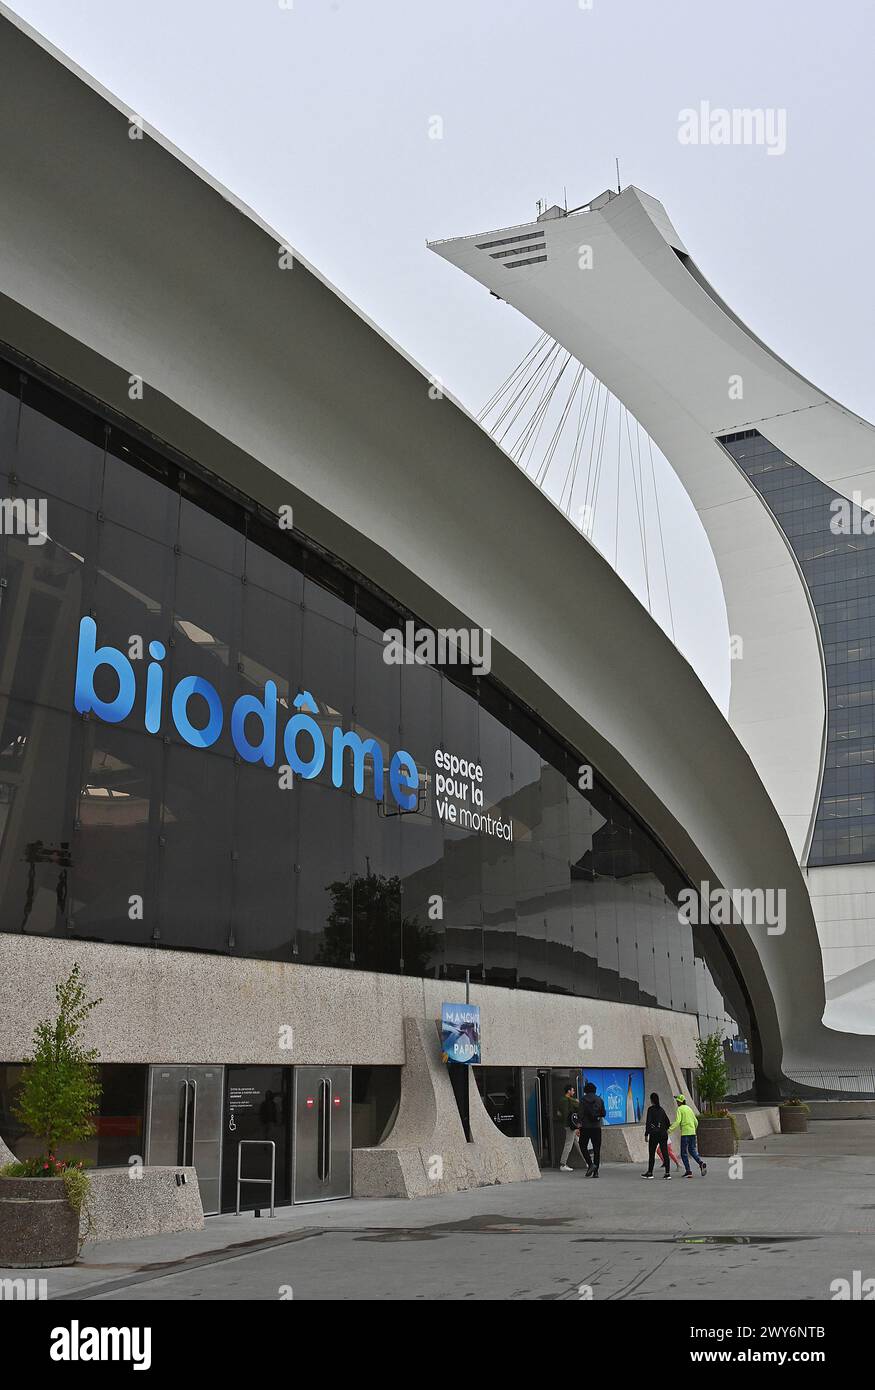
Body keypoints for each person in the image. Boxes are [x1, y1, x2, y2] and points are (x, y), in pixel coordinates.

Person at [668, 1093, 707, 1177]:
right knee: (692, 1150)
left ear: (679, 1102)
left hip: (685, 1134)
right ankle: (700, 1162)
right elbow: (696, 1121)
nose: (676, 1102)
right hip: (692, 1133)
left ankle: (688, 1171)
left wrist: (669, 1130)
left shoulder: (680, 1109)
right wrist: (693, 1129)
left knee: (683, 1153)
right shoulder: (689, 1108)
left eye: (677, 1100)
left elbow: (678, 1121)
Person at [577, 1081, 606, 1177]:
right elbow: (603, 1113)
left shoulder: (583, 1100)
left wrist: (578, 1126)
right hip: (596, 1127)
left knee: (582, 1145)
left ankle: (590, 1164)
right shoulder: (599, 1100)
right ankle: (596, 1172)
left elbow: (580, 1114)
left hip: (585, 1127)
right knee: (597, 1149)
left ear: (586, 1090)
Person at [556, 1084, 587, 1172]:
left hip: (567, 1125)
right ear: (569, 1091)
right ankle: (563, 1164)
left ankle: (587, 1161)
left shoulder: (562, 1100)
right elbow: (579, 1107)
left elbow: (559, 1113)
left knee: (578, 1143)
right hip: (571, 1126)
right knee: (568, 1144)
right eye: (572, 1090)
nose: (573, 1092)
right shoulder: (570, 1100)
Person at [642, 1091, 671, 1179]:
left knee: (651, 1153)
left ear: (651, 1100)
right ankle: (667, 1173)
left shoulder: (650, 1109)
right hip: (663, 1134)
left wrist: (646, 1134)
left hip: (654, 1134)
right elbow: (668, 1122)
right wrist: (663, 1129)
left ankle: (650, 1172)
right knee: (665, 1153)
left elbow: (648, 1122)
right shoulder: (662, 1109)